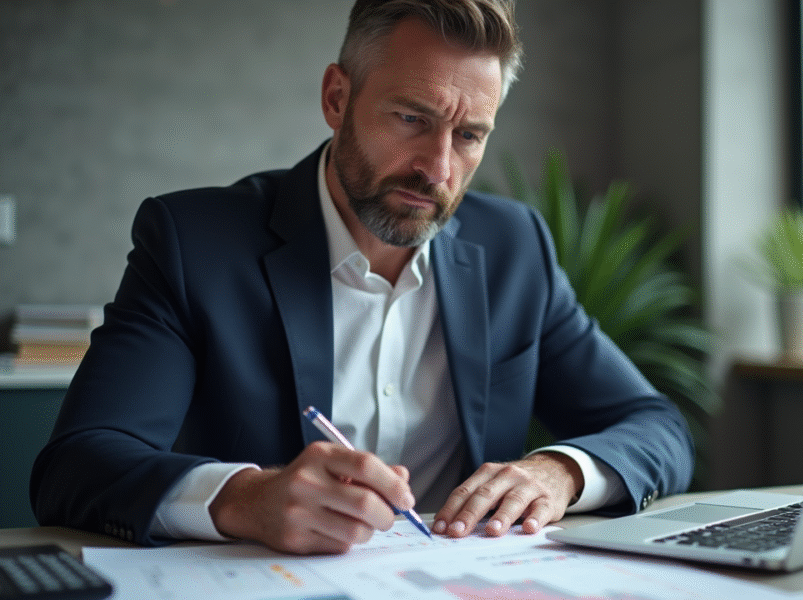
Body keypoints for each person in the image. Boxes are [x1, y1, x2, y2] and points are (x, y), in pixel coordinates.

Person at [31, 0, 694, 555]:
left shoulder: (516, 248)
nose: (436, 168)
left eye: (468, 135)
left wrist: (561, 472)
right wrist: (242, 498)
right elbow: (77, 463)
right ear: (337, 96)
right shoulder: (193, 243)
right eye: (412, 118)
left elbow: (654, 425)